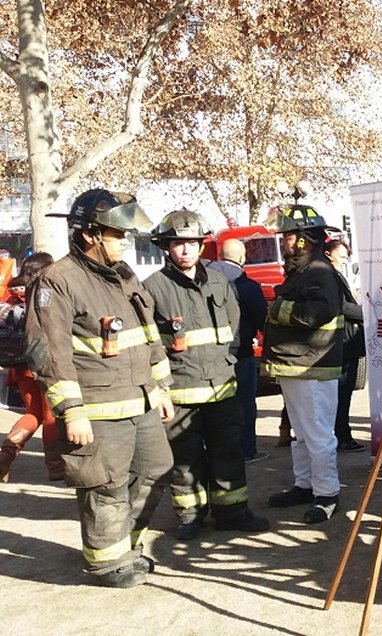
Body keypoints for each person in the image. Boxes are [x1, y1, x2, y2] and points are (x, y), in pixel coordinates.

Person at [25, 189, 175, 588]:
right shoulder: (57, 281)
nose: (125, 242)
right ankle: (106, 563)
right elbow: (48, 351)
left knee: (156, 470)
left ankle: (127, 546)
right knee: (105, 484)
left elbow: (148, 335)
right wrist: (71, 410)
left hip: (140, 399)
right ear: (91, 234)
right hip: (97, 408)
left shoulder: (124, 275)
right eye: (117, 234)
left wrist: (159, 386)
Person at [144, 209, 270, 540]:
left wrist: (229, 366)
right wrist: (160, 390)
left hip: (223, 389)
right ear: (166, 247)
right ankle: (190, 516)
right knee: (185, 460)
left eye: (191, 243)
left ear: (202, 246)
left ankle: (233, 512)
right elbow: (148, 345)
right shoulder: (152, 288)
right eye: (177, 244)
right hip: (181, 392)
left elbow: (235, 331)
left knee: (228, 452)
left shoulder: (220, 283)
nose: (185, 250)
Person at [262, 203, 346, 524]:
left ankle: (327, 494)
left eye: (288, 236)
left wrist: (278, 309)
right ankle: (304, 484)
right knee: (300, 431)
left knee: (318, 432)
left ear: (302, 240)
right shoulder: (302, 270)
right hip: (296, 365)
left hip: (312, 366)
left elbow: (315, 314)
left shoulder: (320, 272)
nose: (283, 241)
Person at [0, 252, 62, 482]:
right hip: (44, 363)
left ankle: (6, 453)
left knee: (33, 413)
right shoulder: (44, 295)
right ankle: (55, 468)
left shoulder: (12, 294)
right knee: (50, 415)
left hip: (19, 365)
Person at [207, 238, 269, 463]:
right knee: (245, 404)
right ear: (242, 258)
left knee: (218, 406)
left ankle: (218, 451)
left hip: (210, 355)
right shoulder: (248, 286)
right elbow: (262, 319)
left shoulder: (204, 282)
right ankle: (246, 450)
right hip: (240, 353)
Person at [324, 239, 366, 453]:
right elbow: (341, 306)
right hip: (342, 343)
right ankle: (342, 436)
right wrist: (366, 312)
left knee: (341, 393)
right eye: (341, 254)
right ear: (328, 253)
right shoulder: (330, 276)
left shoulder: (334, 274)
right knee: (342, 394)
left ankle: (341, 434)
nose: (345, 259)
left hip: (342, 341)